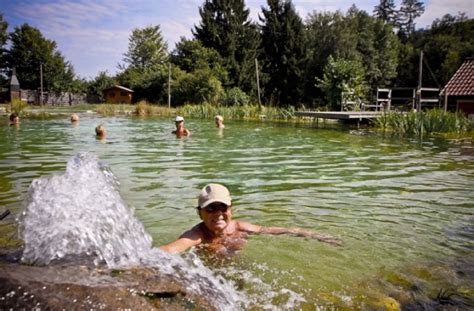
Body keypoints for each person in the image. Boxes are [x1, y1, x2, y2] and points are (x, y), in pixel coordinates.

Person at [159, 183, 341, 254]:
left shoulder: (239, 227)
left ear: (231, 209)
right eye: (211, 208)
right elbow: (172, 248)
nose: (218, 213)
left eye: (223, 206)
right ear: (199, 213)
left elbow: (269, 231)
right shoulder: (198, 235)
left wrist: (311, 234)